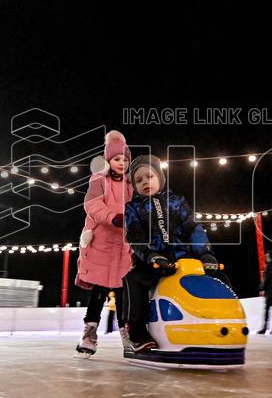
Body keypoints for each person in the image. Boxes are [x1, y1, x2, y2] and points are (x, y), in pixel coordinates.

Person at [123, 154, 230, 352]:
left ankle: (225, 322)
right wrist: (150, 256)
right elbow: (135, 236)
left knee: (219, 275)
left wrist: (205, 253)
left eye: (150, 176)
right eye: (139, 180)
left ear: (160, 178)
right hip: (154, 262)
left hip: (185, 259)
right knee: (132, 279)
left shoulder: (176, 201)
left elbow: (193, 229)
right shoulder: (133, 208)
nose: (145, 182)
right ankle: (136, 332)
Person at [72, 130, 133, 358]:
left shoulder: (130, 184)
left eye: (125, 159)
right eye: (117, 159)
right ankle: (89, 334)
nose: (121, 163)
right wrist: (113, 217)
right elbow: (93, 205)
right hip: (101, 244)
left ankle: (127, 334)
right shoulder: (99, 179)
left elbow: (135, 208)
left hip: (122, 246)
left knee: (124, 292)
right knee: (99, 291)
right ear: (109, 160)